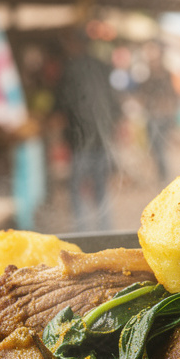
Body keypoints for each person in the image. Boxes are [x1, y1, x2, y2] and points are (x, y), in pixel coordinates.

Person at [54, 29, 121, 232]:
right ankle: (105, 230)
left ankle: (82, 232)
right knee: (100, 188)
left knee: (77, 188)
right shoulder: (102, 66)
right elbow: (114, 102)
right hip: (102, 138)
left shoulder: (70, 68)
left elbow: (61, 104)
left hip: (80, 141)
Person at [136, 43, 178, 183]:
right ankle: (162, 172)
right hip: (157, 113)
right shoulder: (150, 73)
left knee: (158, 145)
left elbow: (171, 94)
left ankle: (163, 173)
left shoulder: (161, 74)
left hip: (160, 114)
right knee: (158, 145)